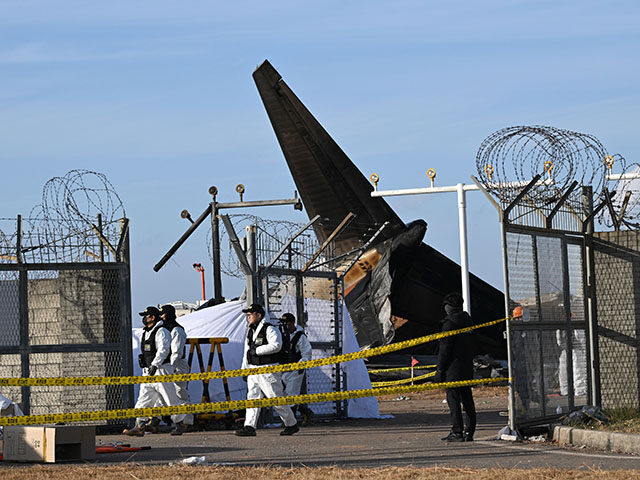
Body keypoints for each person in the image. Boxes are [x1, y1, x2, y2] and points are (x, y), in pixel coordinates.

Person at [235, 303, 299, 437]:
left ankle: (291, 424)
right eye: (247, 315)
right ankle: (249, 426)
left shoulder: (270, 329)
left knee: (275, 398)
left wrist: (257, 351)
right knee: (252, 398)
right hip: (253, 369)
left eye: (250, 315)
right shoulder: (251, 331)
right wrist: (244, 368)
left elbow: (277, 345)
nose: (248, 317)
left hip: (267, 369)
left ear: (259, 315)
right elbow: (247, 352)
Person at [123, 306, 187, 437]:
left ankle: (179, 424)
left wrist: (154, 364)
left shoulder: (161, 331)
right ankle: (139, 426)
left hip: (161, 370)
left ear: (152, 317)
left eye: (146, 316)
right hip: (148, 372)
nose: (144, 319)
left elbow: (163, 350)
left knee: (170, 398)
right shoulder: (147, 332)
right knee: (144, 398)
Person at [434, 292, 477, 442]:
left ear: (448, 307)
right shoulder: (468, 321)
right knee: (467, 399)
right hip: (467, 367)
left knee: (453, 400)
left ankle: (457, 432)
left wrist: (440, 370)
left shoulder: (450, 324)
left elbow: (444, 350)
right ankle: (469, 431)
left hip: (452, 369)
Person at [145, 304, 194, 432]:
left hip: (177, 366)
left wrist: (171, 368)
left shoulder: (177, 330)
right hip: (167, 366)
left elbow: (176, 352)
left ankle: (186, 422)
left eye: (162, 314)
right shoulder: (162, 330)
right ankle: (155, 420)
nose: (160, 317)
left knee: (180, 393)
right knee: (162, 394)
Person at [278, 313, 314, 425]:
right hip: (282, 369)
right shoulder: (281, 335)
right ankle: (305, 411)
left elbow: (306, 354)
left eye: (287, 324)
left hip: (295, 370)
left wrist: (300, 367)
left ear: (293, 323)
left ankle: (290, 423)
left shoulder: (300, 336)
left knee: (291, 395)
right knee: (281, 395)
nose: (285, 326)